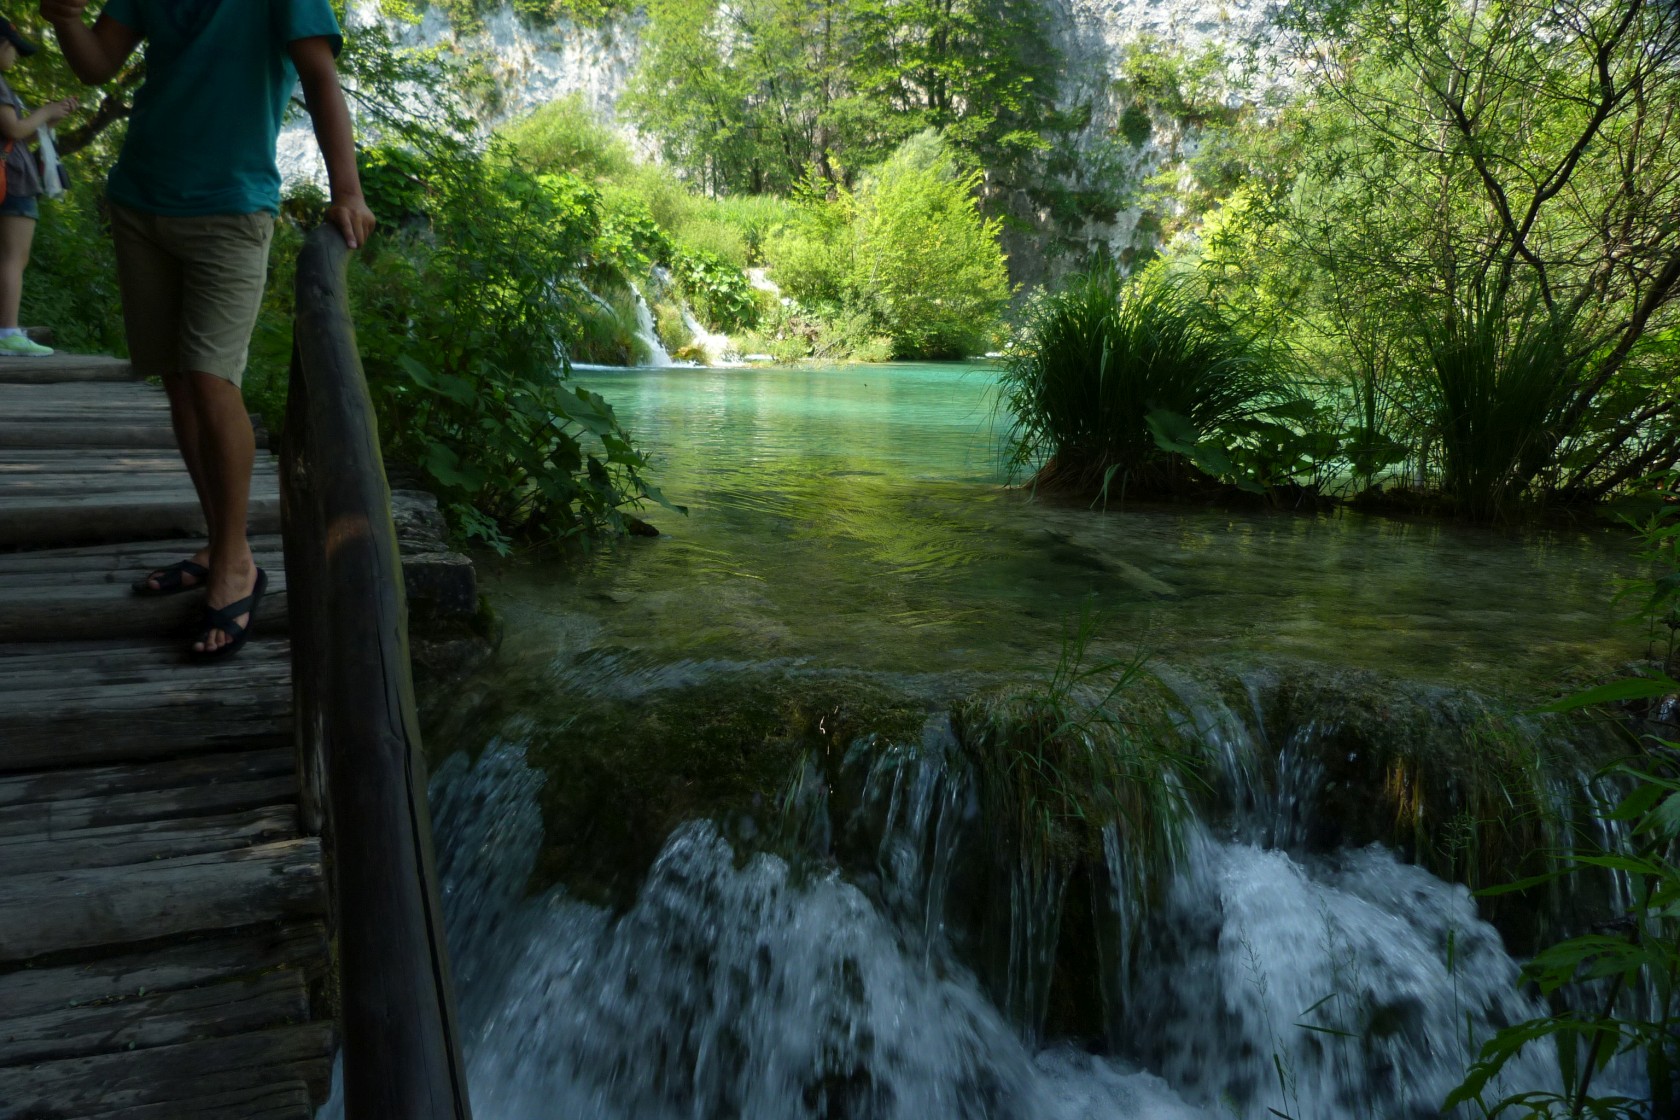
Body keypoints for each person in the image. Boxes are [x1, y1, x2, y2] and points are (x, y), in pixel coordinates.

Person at [41, 0, 376, 657]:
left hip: (231, 207)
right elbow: (98, 64)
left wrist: (348, 189)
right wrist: (64, 20)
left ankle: (233, 561)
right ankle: (222, 544)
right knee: (178, 380)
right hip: (140, 199)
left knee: (211, 377)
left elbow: (319, 76)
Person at [0, 16, 75, 357]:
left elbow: (15, 137)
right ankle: (8, 332)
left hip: (9, 173)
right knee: (13, 257)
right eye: (14, 48)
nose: (15, 56)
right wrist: (45, 111)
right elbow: (14, 130)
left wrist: (49, 120)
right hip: (12, 182)